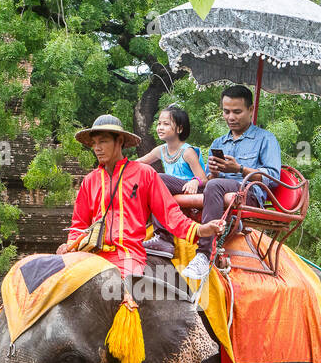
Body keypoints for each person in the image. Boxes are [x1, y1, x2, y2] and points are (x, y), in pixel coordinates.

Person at [67, 114, 226, 280]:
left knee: (120, 295)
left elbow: (170, 213)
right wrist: (69, 247)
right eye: (94, 143)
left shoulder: (145, 174)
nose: (97, 148)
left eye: (103, 141)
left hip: (128, 256)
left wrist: (201, 230)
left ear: (119, 141)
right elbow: (79, 224)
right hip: (92, 254)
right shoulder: (89, 180)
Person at [182, 85, 281, 281]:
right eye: (226, 112)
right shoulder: (218, 143)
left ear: (251, 110)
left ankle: (204, 254)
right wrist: (215, 172)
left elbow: (273, 179)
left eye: (237, 112)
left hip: (248, 194)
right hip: (217, 189)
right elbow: (210, 179)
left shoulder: (265, 139)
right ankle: (163, 238)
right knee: (162, 179)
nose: (231, 117)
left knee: (214, 186)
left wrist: (239, 169)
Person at [135, 104, 206, 259]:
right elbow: (138, 163)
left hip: (190, 189)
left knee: (156, 178)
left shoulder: (187, 152)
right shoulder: (161, 150)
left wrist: (195, 181)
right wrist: (118, 167)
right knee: (145, 181)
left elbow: (203, 177)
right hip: (168, 189)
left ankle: (164, 238)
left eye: (166, 124)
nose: (160, 127)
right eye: (159, 123)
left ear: (179, 129)